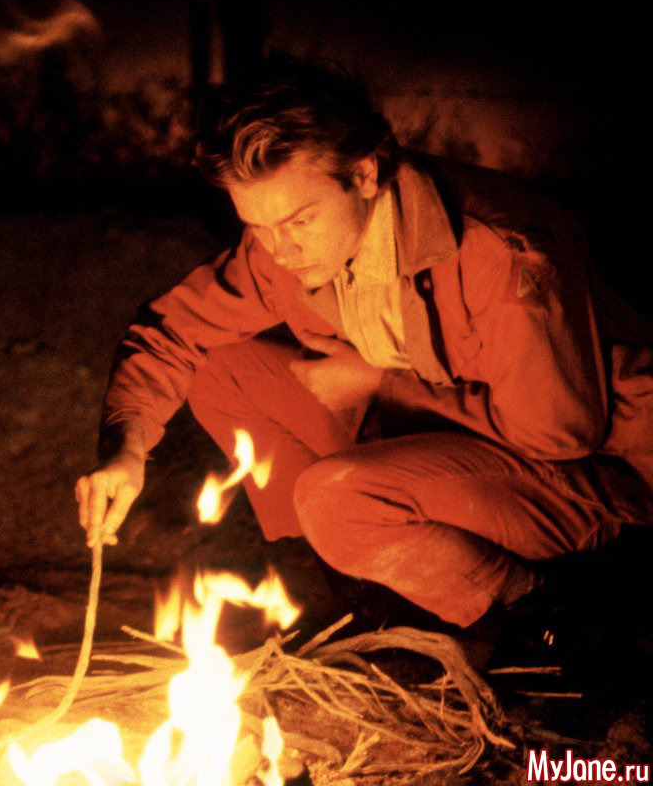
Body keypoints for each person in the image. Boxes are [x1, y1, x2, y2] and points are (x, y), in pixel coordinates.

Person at [76, 56, 653, 632]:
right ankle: (354, 592)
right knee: (221, 369)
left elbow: (557, 435)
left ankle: (538, 617)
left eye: (300, 221)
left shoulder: (500, 254)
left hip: (593, 482)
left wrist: (382, 382)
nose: (280, 250)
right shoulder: (281, 247)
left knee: (334, 498)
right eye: (258, 226)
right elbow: (172, 331)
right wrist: (127, 449)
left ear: (364, 175)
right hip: (437, 444)